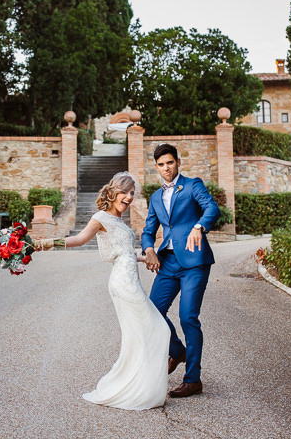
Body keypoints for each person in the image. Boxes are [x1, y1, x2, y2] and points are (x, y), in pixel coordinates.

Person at [61, 172, 170, 410]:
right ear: (113, 192)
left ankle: (141, 388)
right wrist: (45, 243)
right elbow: (79, 239)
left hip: (129, 279)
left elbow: (126, 253)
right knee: (158, 329)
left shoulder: (119, 221)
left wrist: (148, 259)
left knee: (142, 334)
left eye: (132, 193)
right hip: (123, 283)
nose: (129, 197)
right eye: (125, 192)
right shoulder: (101, 217)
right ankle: (136, 389)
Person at [141, 143, 220, 399]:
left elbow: (212, 208)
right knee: (151, 311)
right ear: (156, 167)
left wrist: (199, 226)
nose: (166, 168)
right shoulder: (155, 197)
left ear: (178, 162)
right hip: (168, 262)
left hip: (195, 262)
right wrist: (149, 249)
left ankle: (193, 379)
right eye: (161, 165)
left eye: (170, 163)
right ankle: (177, 350)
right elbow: (148, 230)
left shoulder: (192, 185)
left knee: (188, 318)